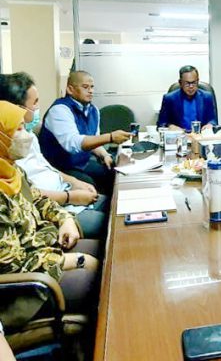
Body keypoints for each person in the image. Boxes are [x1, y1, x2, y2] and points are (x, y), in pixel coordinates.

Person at [0, 101, 99, 312]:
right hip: (24, 288)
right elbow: (10, 265)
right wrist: (75, 261)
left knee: (105, 254)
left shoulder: (12, 171)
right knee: (99, 279)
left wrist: (65, 219)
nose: (25, 135)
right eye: (17, 130)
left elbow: (39, 200)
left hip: (42, 250)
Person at [0, 72, 107, 238]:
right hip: (52, 207)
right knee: (108, 223)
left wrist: (75, 183)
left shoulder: (28, 136)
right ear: (15, 109)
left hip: (63, 193)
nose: (37, 109)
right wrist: (70, 197)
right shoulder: (11, 146)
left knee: (112, 205)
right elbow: (27, 196)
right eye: (34, 103)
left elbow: (47, 168)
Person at [39, 71, 131, 194]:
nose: (91, 91)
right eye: (85, 87)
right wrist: (110, 137)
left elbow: (93, 140)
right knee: (89, 184)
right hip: (60, 167)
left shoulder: (93, 110)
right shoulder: (60, 110)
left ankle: (117, 210)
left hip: (81, 163)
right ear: (70, 89)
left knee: (113, 173)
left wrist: (105, 155)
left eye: (92, 87)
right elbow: (73, 144)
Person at [157, 65, 217, 131]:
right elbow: (161, 124)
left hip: (201, 137)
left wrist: (210, 125)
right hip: (179, 137)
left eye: (194, 83)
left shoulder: (207, 97)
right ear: (180, 83)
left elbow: (213, 120)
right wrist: (170, 126)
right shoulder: (169, 98)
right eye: (187, 83)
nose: (191, 86)